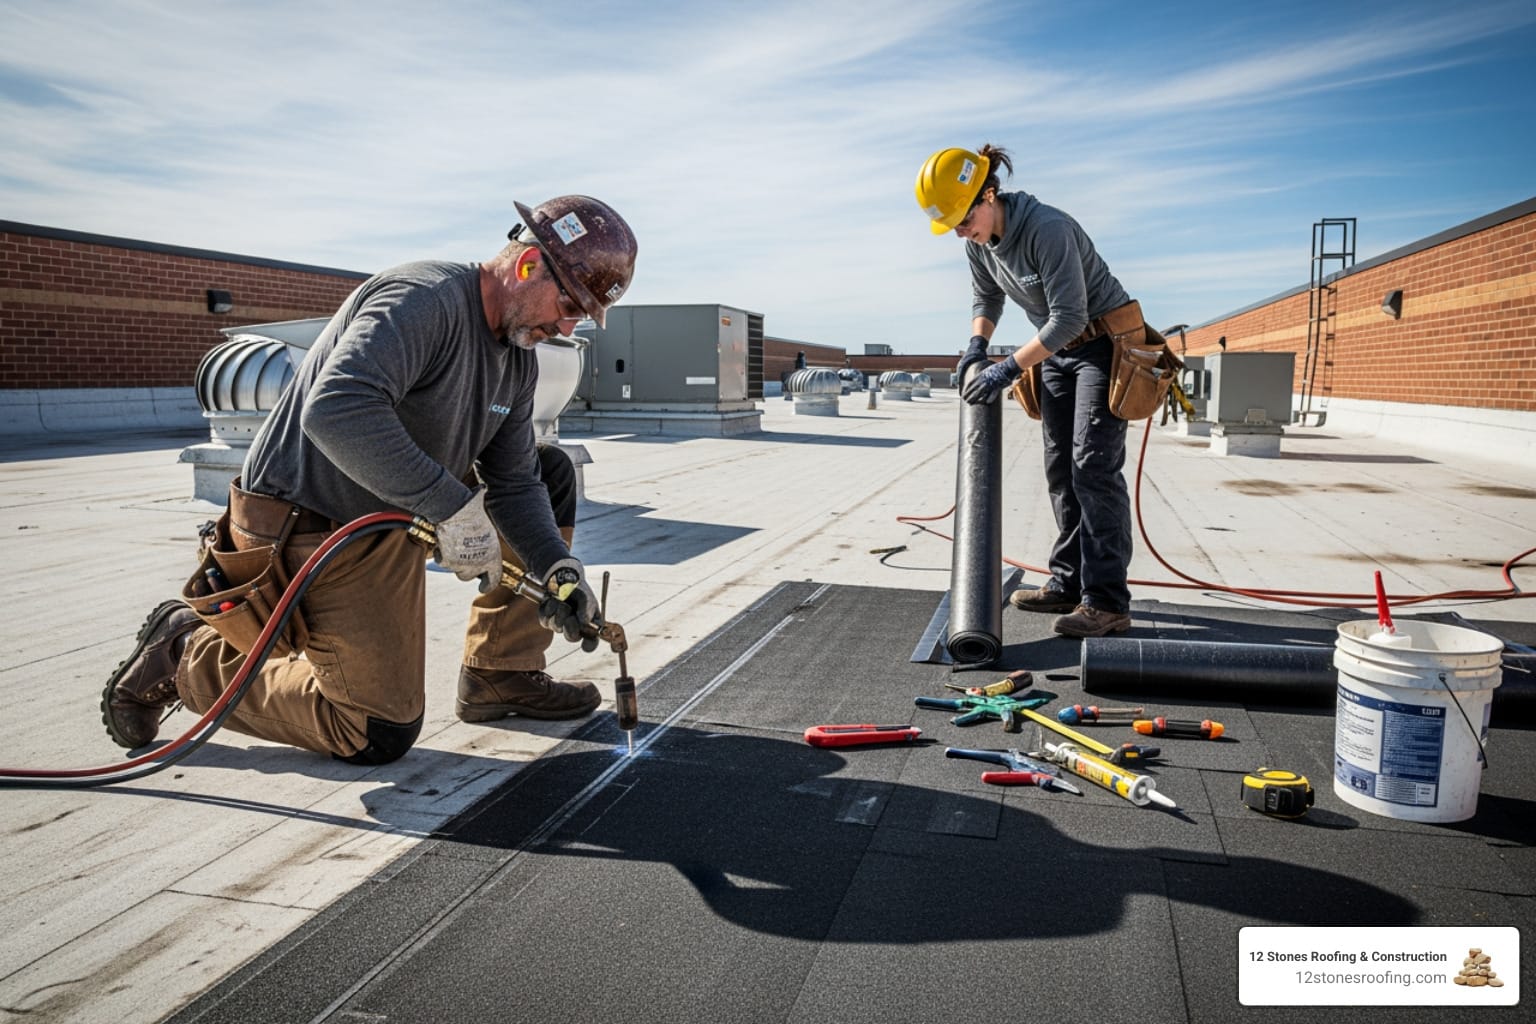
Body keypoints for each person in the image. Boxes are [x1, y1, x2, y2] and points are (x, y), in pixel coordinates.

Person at [101, 195, 638, 764]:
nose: (567, 325)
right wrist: (452, 508)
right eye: (568, 304)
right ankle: (185, 651)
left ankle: (499, 674)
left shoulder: (516, 359)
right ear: (528, 266)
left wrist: (556, 566)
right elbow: (336, 410)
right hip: (306, 525)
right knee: (374, 728)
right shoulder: (423, 299)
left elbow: (513, 479)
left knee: (547, 472)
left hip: (386, 515)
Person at [915, 145, 1136, 639]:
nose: (959, 231)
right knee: (1061, 466)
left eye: (963, 218)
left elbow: (1072, 316)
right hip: (1056, 351)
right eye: (950, 224)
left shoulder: (1047, 229)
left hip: (1102, 345)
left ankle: (1107, 602)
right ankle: (1068, 580)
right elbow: (987, 295)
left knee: (1092, 466)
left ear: (988, 194)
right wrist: (978, 345)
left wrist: (1008, 369)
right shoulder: (979, 242)